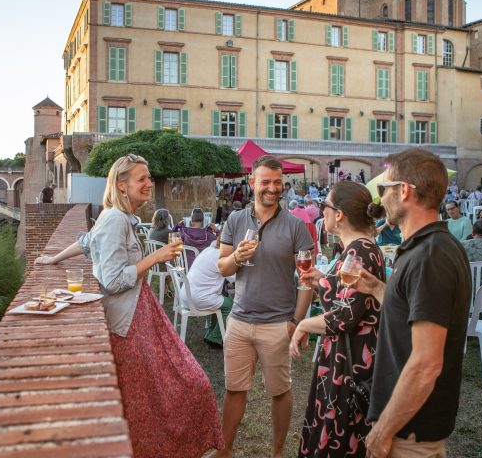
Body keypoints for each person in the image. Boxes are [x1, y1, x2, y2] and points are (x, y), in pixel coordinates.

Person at [87, 154, 224, 457]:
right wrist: (155, 257)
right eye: (142, 178)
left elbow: (87, 241)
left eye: (149, 177)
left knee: (153, 401)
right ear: (121, 186)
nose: (149, 183)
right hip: (128, 323)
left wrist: (53, 258)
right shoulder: (114, 220)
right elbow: (111, 281)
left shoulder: (119, 218)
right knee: (180, 389)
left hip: (140, 314)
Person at [354, 148, 471, 457]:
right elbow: (411, 310)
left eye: (383, 188)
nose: (379, 198)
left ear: (403, 191)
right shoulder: (430, 246)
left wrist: (382, 430)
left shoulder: (430, 256)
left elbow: (426, 363)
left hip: (409, 430)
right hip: (410, 424)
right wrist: (378, 288)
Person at [213, 155, 314, 458]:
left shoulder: (296, 226)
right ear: (253, 182)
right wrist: (237, 259)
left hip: (277, 323)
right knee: (234, 389)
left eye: (278, 182)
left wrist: (295, 321)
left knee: (280, 392)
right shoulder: (235, 220)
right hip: (241, 321)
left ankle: (277, 453)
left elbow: (307, 279)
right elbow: (223, 268)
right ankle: (226, 449)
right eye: (266, 182)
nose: (272, 188)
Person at [289, 181, 386, 457]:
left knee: (338, 436)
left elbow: (344, 316)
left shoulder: (359, 251)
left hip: (350, 362)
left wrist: (303, 325)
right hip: (347, 356)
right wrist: (323, 282)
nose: (323, 212)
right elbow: (352, 298)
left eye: (325, 206)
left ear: (339, 214)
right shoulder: (359, 247)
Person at [186, 233, 235, 348]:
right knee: (231, 305)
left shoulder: (208, 249)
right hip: (198, 298)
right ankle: (215, 338)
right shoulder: (219, 256)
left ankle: (211, 333)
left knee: (222, 296)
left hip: (188, 295)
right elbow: (234, 278)